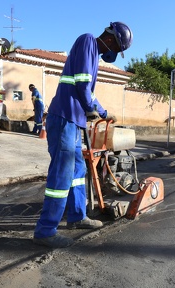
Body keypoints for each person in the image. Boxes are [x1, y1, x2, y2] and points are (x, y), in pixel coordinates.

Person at [33, 21, 133, 248]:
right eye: (117, 49)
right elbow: (83, 86)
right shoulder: (88, 40)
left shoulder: (93, 54)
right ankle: (46, 230)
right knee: (62, 175)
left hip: (74, 122)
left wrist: (99, 112)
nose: (114, 53)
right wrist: (97, 110)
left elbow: (86, 91)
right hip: (65, 118)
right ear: (110, 39)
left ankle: (77, 216)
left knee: (78, 171)